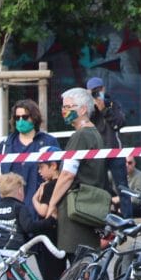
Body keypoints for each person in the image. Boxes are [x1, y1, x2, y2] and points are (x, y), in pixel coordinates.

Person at [45, 88, 110, 259]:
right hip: (89, 207)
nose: (63, 111)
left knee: (78, 266)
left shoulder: (80, 136)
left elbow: (67, 175)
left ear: (82, 110)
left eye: (68, 107)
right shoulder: (95, 134)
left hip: (76, 210)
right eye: (63, 107)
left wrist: (52, 203)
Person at [0, 99, 59, 220]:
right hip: (8, 207)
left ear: (34, 118)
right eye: (17, 118)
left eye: (25, 117)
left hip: (37, 207)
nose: (21, 121)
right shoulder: (5, 144)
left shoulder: (48, 142)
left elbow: (57, 172)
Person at [87, 76, 132, 220]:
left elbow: (120, 122)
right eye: (93, 92)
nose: (97, 94)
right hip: (97, 152)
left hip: (114, 151)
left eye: (98, 90)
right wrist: (93, 106)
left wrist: (105, 109)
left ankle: (127, 218)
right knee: (99, 186)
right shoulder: (88, 107)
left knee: (122, 187)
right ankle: (103, 217)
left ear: (103, 89)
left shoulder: (112, 103)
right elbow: (84, 123)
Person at [29, 149, 67, 280]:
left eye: (42, 167)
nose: (39, 171)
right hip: (62, 233)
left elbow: (44, 211)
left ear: (53, 165)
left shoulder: (50, 185)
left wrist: (34, 199)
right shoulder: (65, 183)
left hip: (50, 235)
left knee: (51, 278)